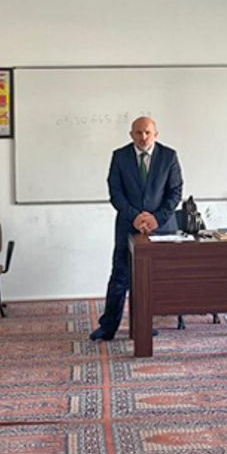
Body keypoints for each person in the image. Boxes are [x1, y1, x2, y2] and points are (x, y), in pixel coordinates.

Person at [89, 116, 183, 342]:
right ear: (131, 134)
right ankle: (107, 327)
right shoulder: (120, 156)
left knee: (152, 279)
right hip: (127, 226)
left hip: (160, 228)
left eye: (147, 132)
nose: (143, 137)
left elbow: (175, 192)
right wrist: (135, 217)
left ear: (156, 134)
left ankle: (144, 324)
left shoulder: (169, 156)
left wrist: (156, 219)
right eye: (138, 132)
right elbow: (115, 192)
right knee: (120, 277)